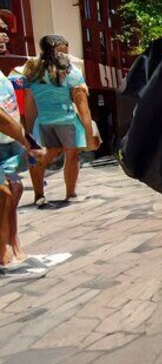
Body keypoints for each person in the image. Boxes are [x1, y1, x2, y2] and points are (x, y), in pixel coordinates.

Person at [23, 35, 100, 208]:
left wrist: (28, 130)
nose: (68, 49)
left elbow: (30, 106)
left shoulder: (33, 73)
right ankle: (70, 194)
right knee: (71, 156)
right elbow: (82, 107)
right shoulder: (71, 72)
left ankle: (38, 195)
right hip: (67, 120)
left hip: (43, 122)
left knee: (47, 153)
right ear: (59, 46)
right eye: (66, 46)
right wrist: (89, 134)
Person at [0, 29, 43, 268]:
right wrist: (28, 142)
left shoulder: (4, 74)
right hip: (7, 142)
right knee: (5, 193)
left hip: (8, 145)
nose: (3, 36)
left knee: (13, 190)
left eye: (4, 30)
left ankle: (11, 243)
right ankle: (4, 249)